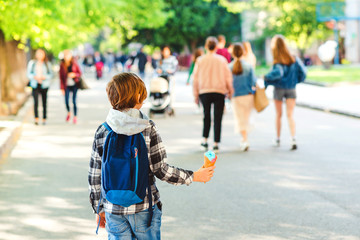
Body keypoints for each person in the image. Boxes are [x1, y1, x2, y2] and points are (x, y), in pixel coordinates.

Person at [88, 73, 215, 240]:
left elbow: (95, 176)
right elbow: (161, 170)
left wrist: (98, 209)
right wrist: (194, 176)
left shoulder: (103, 131)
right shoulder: (147, 128)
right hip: (144, 208)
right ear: (138, 96)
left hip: (113, 209)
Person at [264, 35, 307, 150]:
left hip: (279, 89)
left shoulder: (277, 61)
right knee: (290, 115)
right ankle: (293, 138)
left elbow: (277, 74)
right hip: (291, 88)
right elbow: (303, 73)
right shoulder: (293, 58)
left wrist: (266, 78)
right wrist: (296, 81)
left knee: (278, 115)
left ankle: (277, 139)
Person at [193, 36, 233, 153]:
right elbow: (228, 77)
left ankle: (204, 140)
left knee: (206, 116)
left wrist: (195, 94)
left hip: (204, 91)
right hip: (219, 91)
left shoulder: (200, 60)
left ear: (206, 46)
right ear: (216, 47)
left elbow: (195, 79)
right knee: (218, 117)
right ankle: (216, 143)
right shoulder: (222, 60)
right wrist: (230, 90)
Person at [230, 43, 257, 151]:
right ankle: (244, 139)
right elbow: (253, 82)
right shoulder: (248, 66)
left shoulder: (229, 67)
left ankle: (244, 140)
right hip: (248, 96)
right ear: (243, 52)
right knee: (246, 119)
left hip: (236, 97)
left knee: (240, 120)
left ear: (233, 53)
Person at [27, 49, 53, 125]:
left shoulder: (47, 64)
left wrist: (44, 77)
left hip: (44, 85)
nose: (40, 55)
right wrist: (34, 77)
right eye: (38, 54)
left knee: (44, 102)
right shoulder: (32, 63)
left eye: (41, 54)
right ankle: (36, 118)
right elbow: (28, 74)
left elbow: (51, 74)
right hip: (35, 84)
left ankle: (44, 118)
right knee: (36, 102)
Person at [59, 50, 82, 124]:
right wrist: (62, 88)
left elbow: (80, 73)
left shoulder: (74, 63)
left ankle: (75, 117)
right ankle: (69, 112)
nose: (67, 57)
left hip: (74, 84)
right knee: (66, 101)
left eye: (68, 55)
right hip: (66, 86)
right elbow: (61, 78)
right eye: (65, 55)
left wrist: (74, 74)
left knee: (74, 101)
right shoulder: (62, 65)